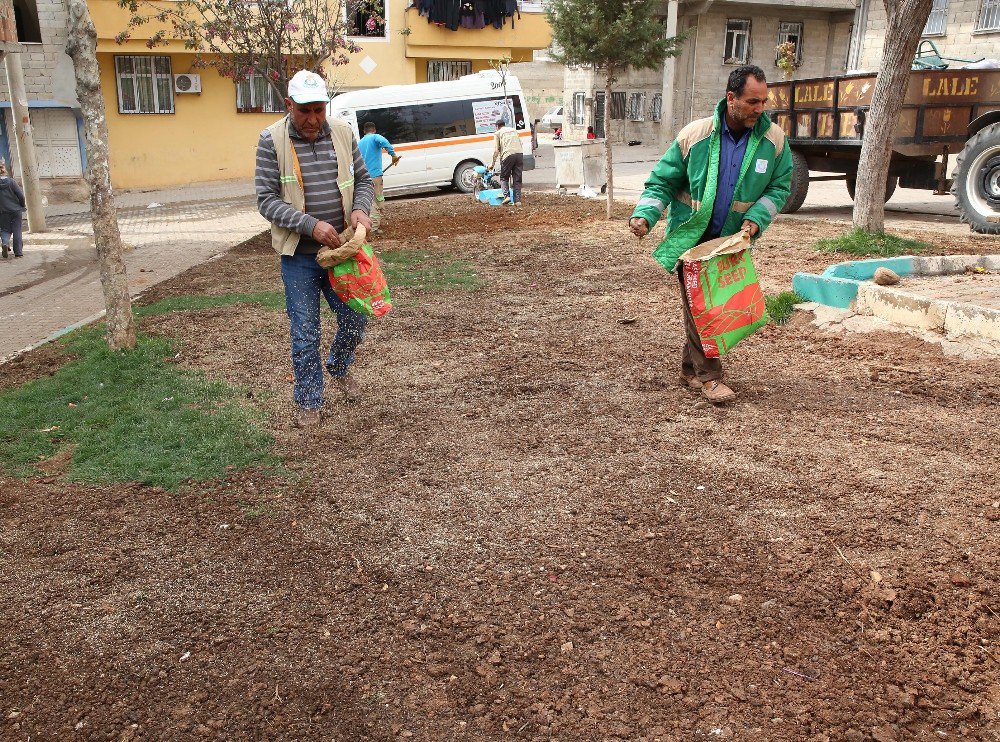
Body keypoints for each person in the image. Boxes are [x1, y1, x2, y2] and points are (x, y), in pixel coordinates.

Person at [628, 65, 792, 405]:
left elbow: (779, 188)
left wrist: (757, 219)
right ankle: (710, 377)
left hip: (730, 243)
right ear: (730, 98)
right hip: (690, 239)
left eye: (763, 101)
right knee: (703, 307)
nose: (759, 109)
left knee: (712, 305)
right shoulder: (695, 135)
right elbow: (663, 180)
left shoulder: (774, 142)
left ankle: (690, 369)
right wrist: (645, 215)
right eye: (751, 102)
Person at [255, 70, 375, 427]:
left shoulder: (342, 132)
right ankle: (309, 400)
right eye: (305, 111)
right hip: (300, 257)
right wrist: (311, 225)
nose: (313, 119)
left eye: (319, 110)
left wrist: (360, 209)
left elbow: (364, 181)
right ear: (289, 105)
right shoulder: (270, 140)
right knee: (305, 330)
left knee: (356, 316)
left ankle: (338, 365)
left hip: (342, 253)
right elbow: (266, 201)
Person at [358, 121, 399, 233]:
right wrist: (393, 155)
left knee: (367, 201)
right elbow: (384, 142)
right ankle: (374, 228)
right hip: (375, 176)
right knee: (376, 201)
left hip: (363, 177)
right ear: (374, 130)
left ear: (363, 131)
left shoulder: (360, 142)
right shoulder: (375, 137)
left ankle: (367, 224)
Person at [490, 119, 523, 206]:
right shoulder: (513, 130)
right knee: (517, 179)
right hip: (519, 154)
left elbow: (496, 150)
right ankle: (518, 201)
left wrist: (492, 164)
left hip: (508, 155)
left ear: (497, 127)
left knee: (504, 178)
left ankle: (506, 196)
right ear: (504, 125)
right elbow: (520, 143)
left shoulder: (497, 133)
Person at [0, 162, 25, 260]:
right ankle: (18, 253)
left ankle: (5, 243)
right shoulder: (11, 182)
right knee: (17, 230)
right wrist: (22, 205)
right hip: (16, 210)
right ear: (3, 170)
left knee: (5, 229)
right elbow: (21, 196)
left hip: (2, 212)